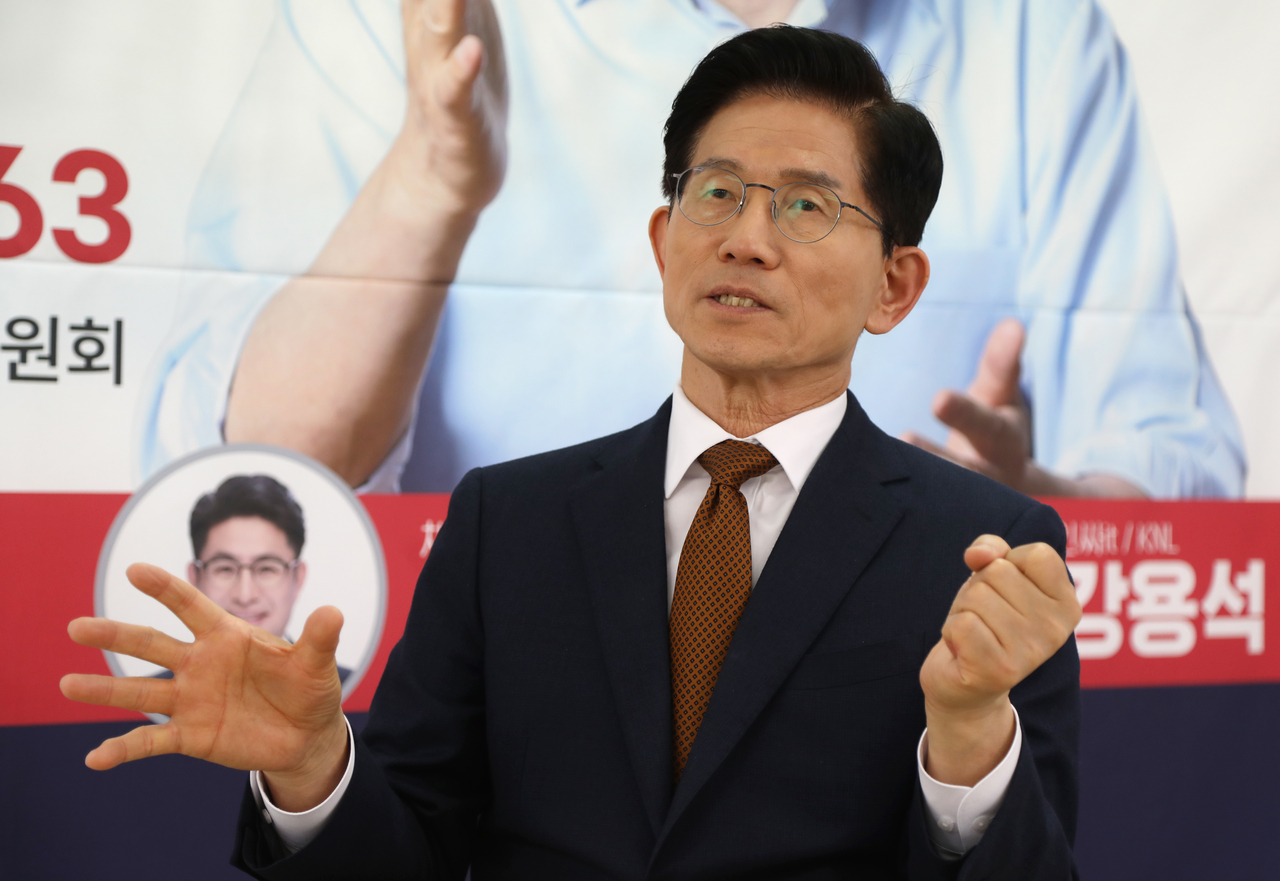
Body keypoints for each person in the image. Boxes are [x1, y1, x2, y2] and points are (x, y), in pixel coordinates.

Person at [64, 27, 1082, 878]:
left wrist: (966, 737)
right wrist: (314, 768)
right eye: (716, 192)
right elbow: (407, 851)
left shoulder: (983, 550)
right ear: (663, 241)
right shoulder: (506, 521)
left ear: (894, 286)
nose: (746, 237)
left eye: (806, 205)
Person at [137, 0, 1243, 500]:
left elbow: (1171, 466)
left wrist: (1032, 508)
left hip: (897, 755)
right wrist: (431, 183)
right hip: (493, 763)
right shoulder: (410, 15)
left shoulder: (1036, 33)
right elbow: (248, 487)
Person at [154, 474, 351, 684]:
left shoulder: (348, 690)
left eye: (266, 569)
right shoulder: (150, 696)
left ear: (298, 578)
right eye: (225, 569)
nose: (245, 596)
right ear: (195, 578)